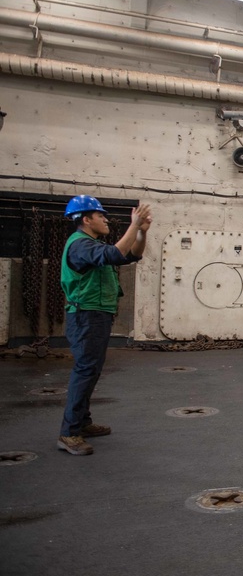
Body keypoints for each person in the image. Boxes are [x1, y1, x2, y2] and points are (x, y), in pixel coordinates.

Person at [57, 195, 152, 456]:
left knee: (91, 370)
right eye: (100, 216)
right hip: (86, 316)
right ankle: (69, 433)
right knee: (86, 371)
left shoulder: (90, 245)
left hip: (95, 315)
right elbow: (115, 252)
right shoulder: (80, 245)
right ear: (86, 219)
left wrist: (142, 233)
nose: (105, 219)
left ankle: (82, 423)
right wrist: (133, 225)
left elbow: (130, 256)